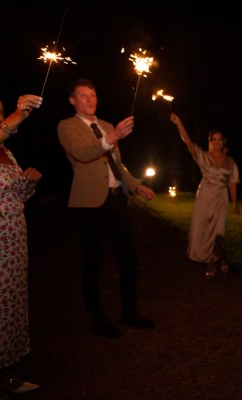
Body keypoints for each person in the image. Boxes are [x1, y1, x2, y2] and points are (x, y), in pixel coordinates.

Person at [57, 78, 156, 339]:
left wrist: (136, 186)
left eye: (92, 94)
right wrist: (112, 137)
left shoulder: (107, 126)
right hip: (87, 204)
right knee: (93, 260)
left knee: (128, 256)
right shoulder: (66, 127)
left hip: (115, 199)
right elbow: (82, 153)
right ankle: (96, 315)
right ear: (72, 101)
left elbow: (117, 164)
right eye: (82, 95)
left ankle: (129, 309)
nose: (89, 99)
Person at [0, 94, 43, 399]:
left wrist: (29, 181)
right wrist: (18, 115)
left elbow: (19, 194)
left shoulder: (6, 152)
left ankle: (9, 375)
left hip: (14, 243)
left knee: (11, 306)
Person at [170, 113, 240, 277]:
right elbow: (188, 143)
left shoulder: (230, 161)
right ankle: (211, 260)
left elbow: (232, 182)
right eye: (213, 140)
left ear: (223, 142)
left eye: (219, 139)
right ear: (210, 142)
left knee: (219, 230)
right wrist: (179, 123)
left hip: (221, 197)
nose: (217, 143)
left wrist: (235, 202)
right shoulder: (203, 157)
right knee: (204, 228)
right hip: (205, 196)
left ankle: (217, 258)